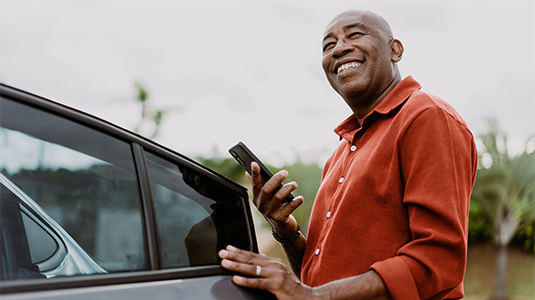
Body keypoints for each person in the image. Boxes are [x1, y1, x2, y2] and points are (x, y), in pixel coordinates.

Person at [219, 10, 477, 300]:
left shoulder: (427, 117)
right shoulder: (340, 153)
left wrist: (314, 297)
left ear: (395, 50)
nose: (339, 48)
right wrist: (285, 228)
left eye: (355, 35)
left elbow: (440, 259)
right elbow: (316, 278)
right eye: (328, 46)